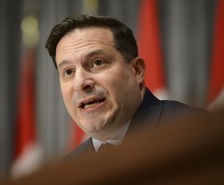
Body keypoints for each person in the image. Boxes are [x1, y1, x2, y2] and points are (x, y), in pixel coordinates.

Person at [45, 14, 206, 158]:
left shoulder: (195, 131)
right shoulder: (71, 167)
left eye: (97, 62)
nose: (80, 83)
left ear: (137, 71)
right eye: (68, 72)